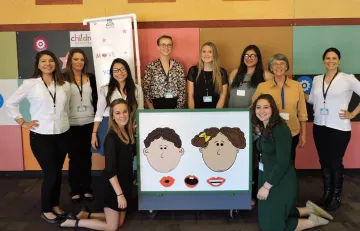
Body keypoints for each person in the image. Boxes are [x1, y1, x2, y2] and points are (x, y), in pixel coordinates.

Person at [6, 50, 70, 223]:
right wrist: (22, 121)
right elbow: (11, 103)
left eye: (51, 60)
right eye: (43, 61)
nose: (48, 63)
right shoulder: (31, 83)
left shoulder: (63, 84)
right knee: (50, 173)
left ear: (55, 63)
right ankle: (46, 209)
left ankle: (55, 204)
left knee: (57, 173)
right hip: (41, 136)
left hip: (62, 134)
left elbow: (66, 107)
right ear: (38, 64)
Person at [253, 94, 332, 231]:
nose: (261, 111)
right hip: (268, 177)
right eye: (258, 107)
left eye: (266, 107)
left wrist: (266, 187)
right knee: (263, 218)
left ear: (273, 109)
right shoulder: (265, 127)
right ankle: (309, 210)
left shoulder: (280, 129)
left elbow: (283, 163)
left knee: (270, 227)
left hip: (280, 182)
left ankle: (314, 221)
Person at [60, 99, 135, 230]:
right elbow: (110, 170)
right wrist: (120, 195)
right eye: (118, 113)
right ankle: (73, 222)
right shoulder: (111, 138)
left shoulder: (128, 133)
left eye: (125, 112)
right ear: (112, 116)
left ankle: (86, 214)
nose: (122, 116)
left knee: (121, 222)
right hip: (113, 187)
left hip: (125, 183)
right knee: (112, 227)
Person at [306, 48, 360, 211]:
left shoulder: (347, 79)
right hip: (320, 126)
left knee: (335, 162)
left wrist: (353, 113)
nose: (331, 61)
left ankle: (336, 196)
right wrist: (298, 93)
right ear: (323, 60)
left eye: (334, 58)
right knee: (324, 162)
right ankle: (327, 193)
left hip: (339, 128)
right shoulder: (317, 79)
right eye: (328, 58)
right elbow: (314, 100)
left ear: (339, 61)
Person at [228, 44, 273, 206]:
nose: (249, 58)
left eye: (253, 55)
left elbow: (269, 100)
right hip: (233, 122)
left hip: (253, 124)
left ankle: (253, 194)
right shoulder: (234, 73)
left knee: (252, 159)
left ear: (259, 58)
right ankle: (234, 191)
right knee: (234, 156)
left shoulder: (266, 75)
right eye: (246, 55)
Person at [252, 53, 308, 166]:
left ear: (287, 67)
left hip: (292, 131)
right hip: (269, 132)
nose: (279, 66)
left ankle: (288, 184)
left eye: (282, 63)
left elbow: (302, 112)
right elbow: (254, 108)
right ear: (271, 68)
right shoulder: (263, 87)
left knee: (289, 162)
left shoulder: (296, 86)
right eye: (275, 64)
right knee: (271, 162)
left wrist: (303, 134)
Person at [63, 48, 97, 203]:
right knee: (74, 157)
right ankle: (75, 189)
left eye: (82, 59)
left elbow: (96, 100)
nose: (79, 62)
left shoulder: (91, 78)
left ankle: (87, 187)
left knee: (87, 156)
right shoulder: (63, 79)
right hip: (71, 124)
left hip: (89, 122)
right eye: (76, 59)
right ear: (70, 61)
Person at [91, 58, 144, 156]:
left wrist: (135, 126)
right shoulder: (105, 89)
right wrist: (94, 133)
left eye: (122, 69)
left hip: (129, 127)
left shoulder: (137, 89)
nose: (120, 72)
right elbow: (99, 113)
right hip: (108, 126)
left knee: (127, 157)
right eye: (116, 70)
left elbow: (140, 111)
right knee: (111, 160)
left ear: (127, 70)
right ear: (111, 73)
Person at [143, 35, 186, 109]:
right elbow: (146, 91)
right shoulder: (151, 67)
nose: (166, 47)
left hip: (175, 107)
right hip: (156, 107)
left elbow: (182, 90)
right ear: (158, 47)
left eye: (169, 45)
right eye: (163, 45)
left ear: (172, 47)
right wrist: (152, 111)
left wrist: (177, 110)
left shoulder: (178, 66)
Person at [187, 42, 228, 108]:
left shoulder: (221, 72)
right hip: (197, 112)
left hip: (215, 113)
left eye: (210, 52)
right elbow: (190, 96)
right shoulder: (193, 71)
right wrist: (193, 114)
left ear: (214, 54)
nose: (206, 54)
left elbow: (222, 97)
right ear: (201, 54)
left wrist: (216, 114)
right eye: (204, 51)